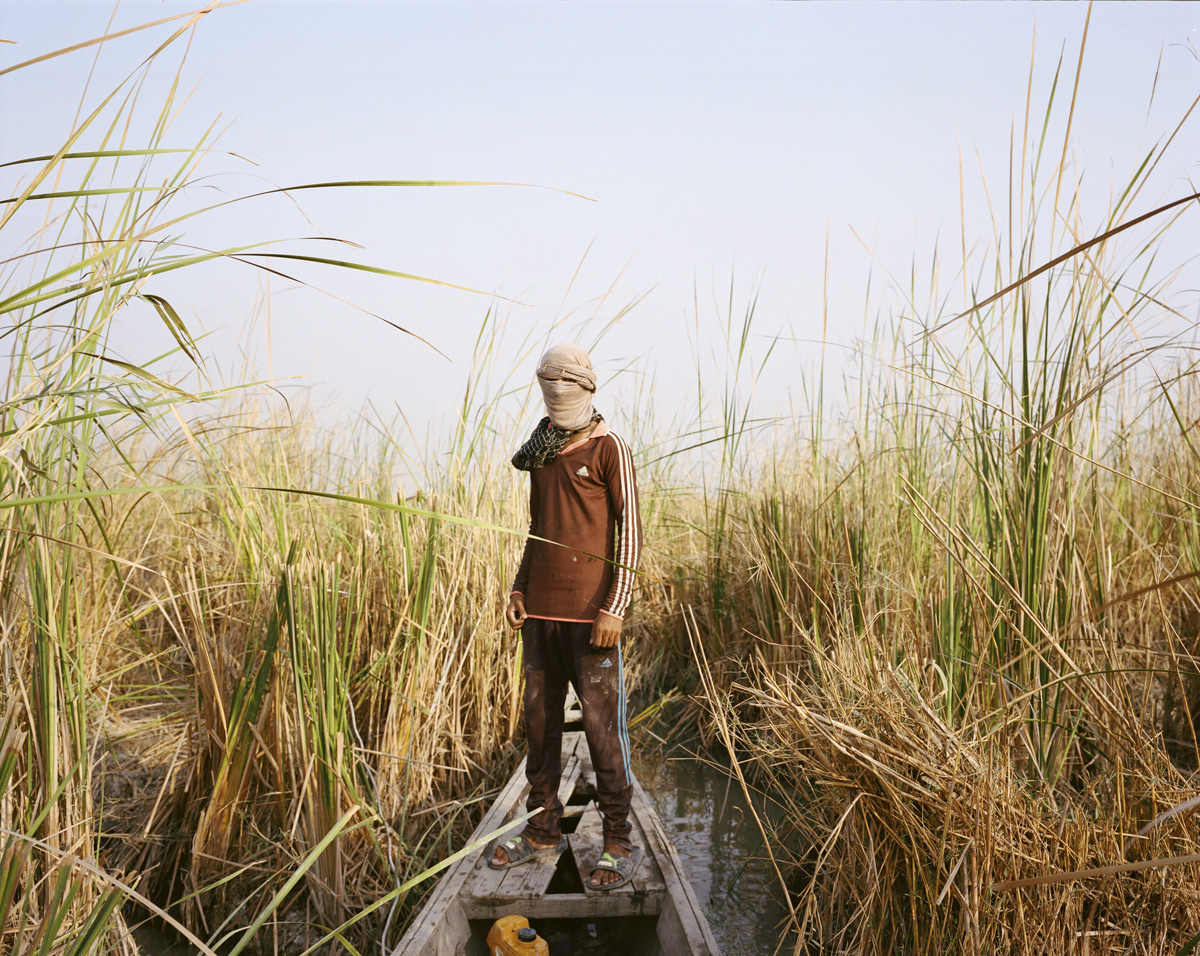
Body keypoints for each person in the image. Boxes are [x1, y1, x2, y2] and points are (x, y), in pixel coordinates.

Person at [487, 343, 643, 890]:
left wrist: (615, 607)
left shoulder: (608, 448)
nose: (557, 395)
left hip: (591, 620)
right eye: (548, 386)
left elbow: (631, 533)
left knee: (602, 733)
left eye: (566, 386)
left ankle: (619, 840)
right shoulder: (542, 452)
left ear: (587, 388)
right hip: (540, 618)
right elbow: (539, 530)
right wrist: (518, 589)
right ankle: (542, 830)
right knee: (540, 727)